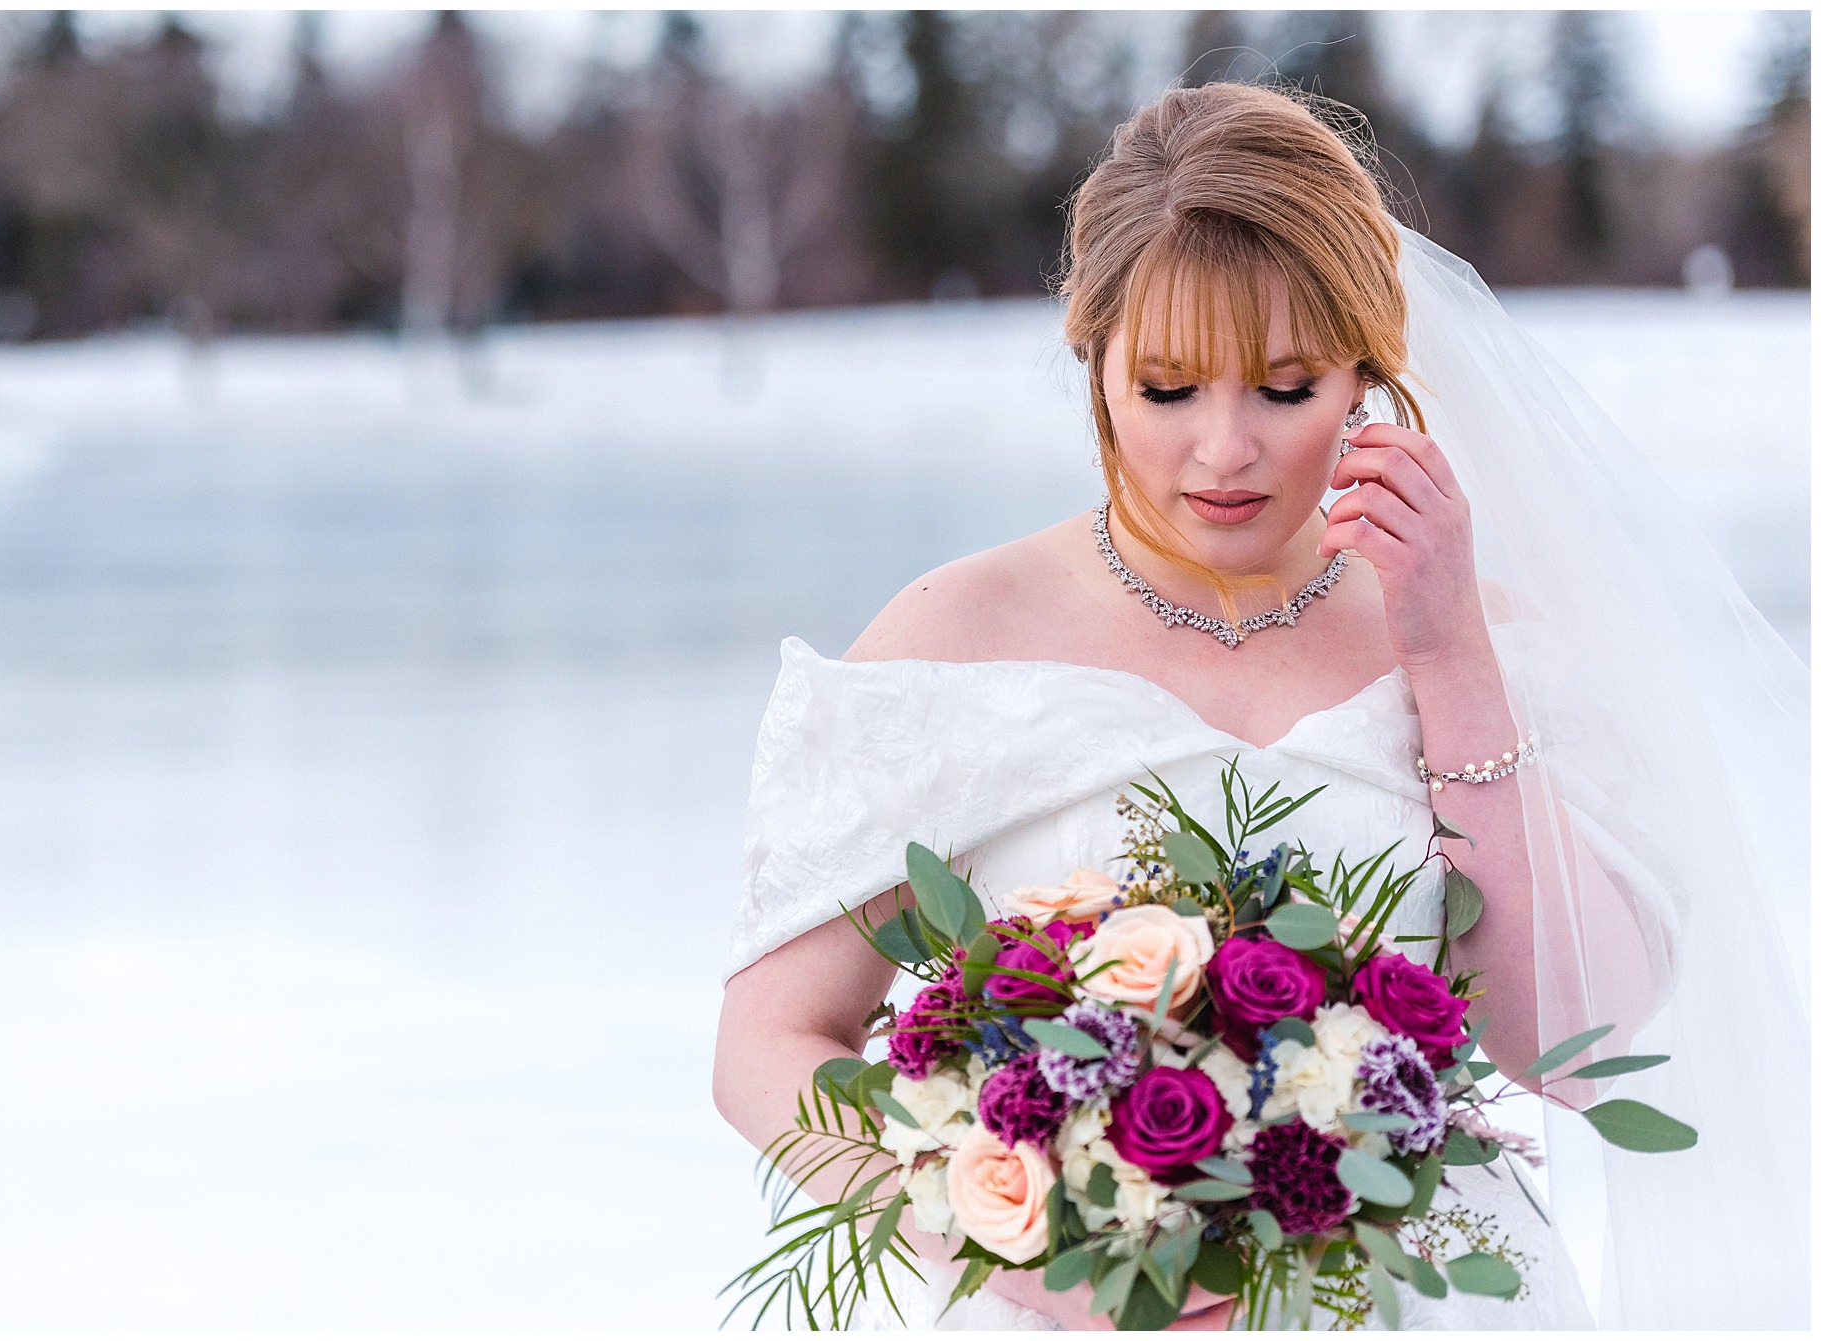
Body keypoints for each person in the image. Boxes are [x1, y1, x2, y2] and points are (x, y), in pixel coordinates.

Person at [713, 81, 1808, 1330]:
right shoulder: (956, 640)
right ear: (1095, 364)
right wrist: (999, 1235)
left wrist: (1445, 651)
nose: (1223, 450)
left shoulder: (1490, 642)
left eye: (1284, 389)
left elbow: (1572, 1031)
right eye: (1167, 389)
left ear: (1363, 375)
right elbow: (766, 1045)